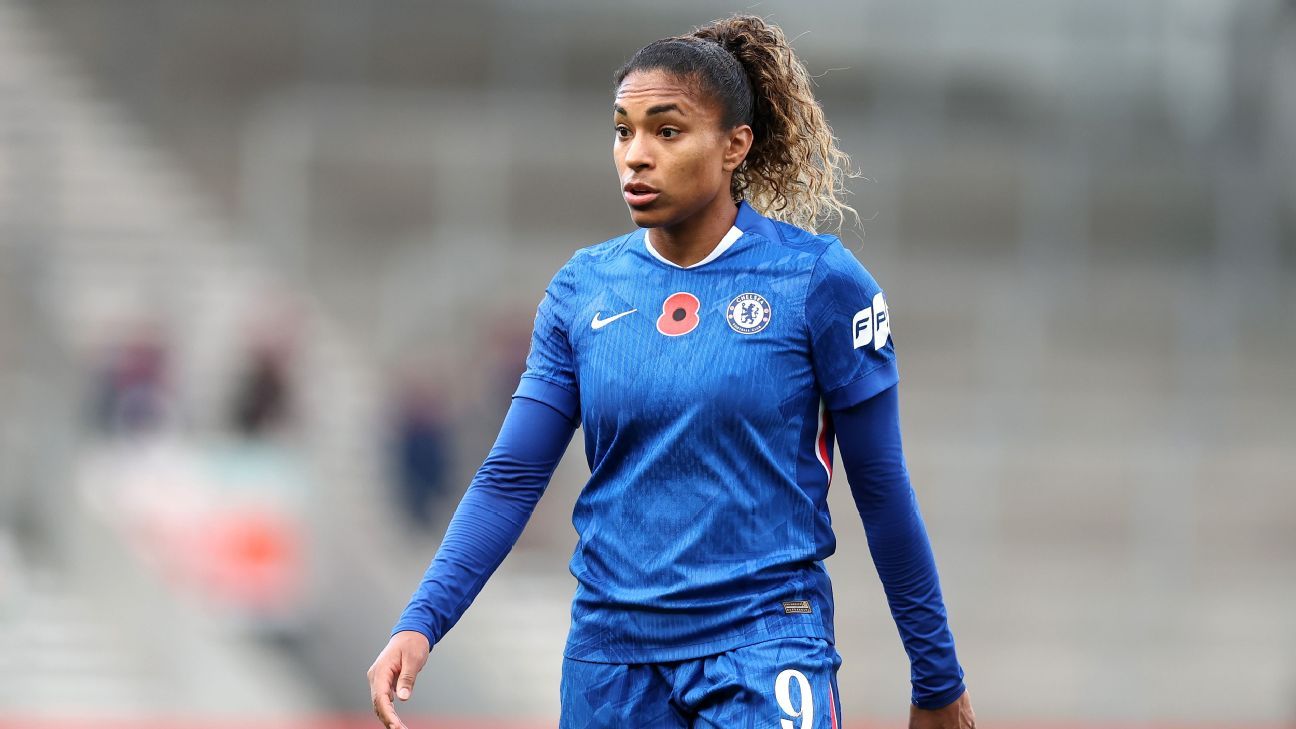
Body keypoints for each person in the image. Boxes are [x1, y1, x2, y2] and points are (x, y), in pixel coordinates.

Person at [368, 15, 975, 729]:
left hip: (764, 644)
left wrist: (936, 677)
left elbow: (882, 489)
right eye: (622, 131)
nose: (636, 156)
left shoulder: (819, 283)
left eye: (667, 131)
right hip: (611, 663)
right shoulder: (583, 290)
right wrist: (422, 620)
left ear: (734, 145)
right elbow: (511, 476)